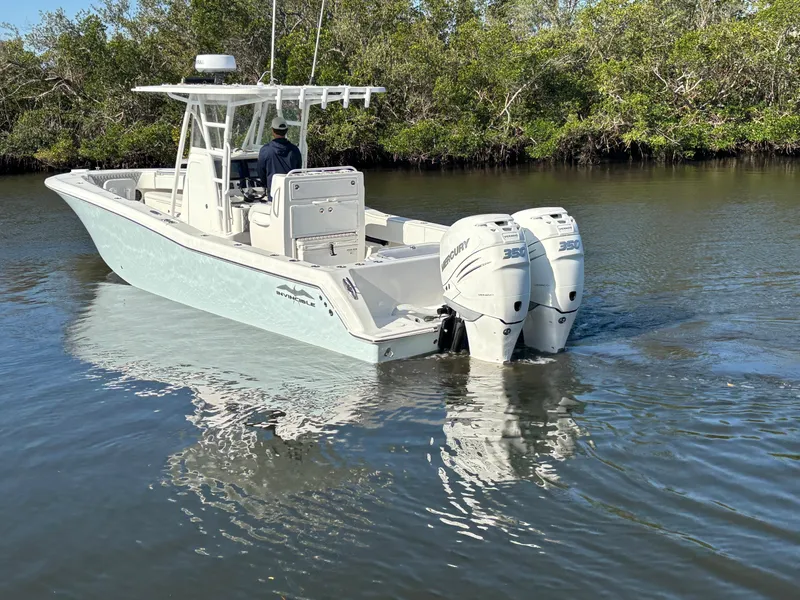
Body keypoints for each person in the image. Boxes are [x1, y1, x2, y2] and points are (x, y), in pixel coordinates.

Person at [257, 116, 302, 199]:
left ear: (272, 131)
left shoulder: (265, 150)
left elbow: (261, 173)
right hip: (291, 196)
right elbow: (298, 171)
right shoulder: (295, 150)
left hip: (274, 197)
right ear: (286, 131)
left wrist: (266, 185)